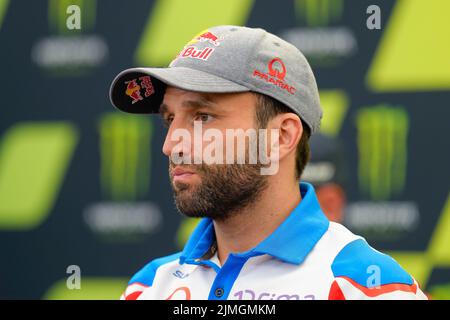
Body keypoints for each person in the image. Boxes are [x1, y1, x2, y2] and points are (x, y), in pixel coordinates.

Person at [109, 25, 427, 300]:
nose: (170, 145)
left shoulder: (365, 286)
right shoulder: (149, 287)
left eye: (202, 117)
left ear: (281, 137)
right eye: (169, 120)